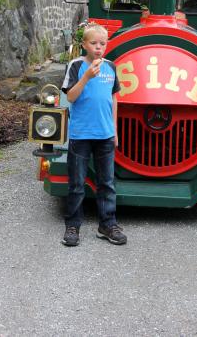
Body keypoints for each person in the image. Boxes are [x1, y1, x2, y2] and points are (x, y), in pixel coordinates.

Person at [61, 23, 127, 247]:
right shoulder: (76, 65)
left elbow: (114, 99)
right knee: (77, 184)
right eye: (93, 43)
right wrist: (87, 76)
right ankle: (73, 226)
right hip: (80, 135)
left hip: (105, 135)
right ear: (84, 45)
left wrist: (115, 131)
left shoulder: (111, 67)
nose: (99, 48)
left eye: (102, 43)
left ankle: (107, 224)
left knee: (107, 183)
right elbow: (70, 96)